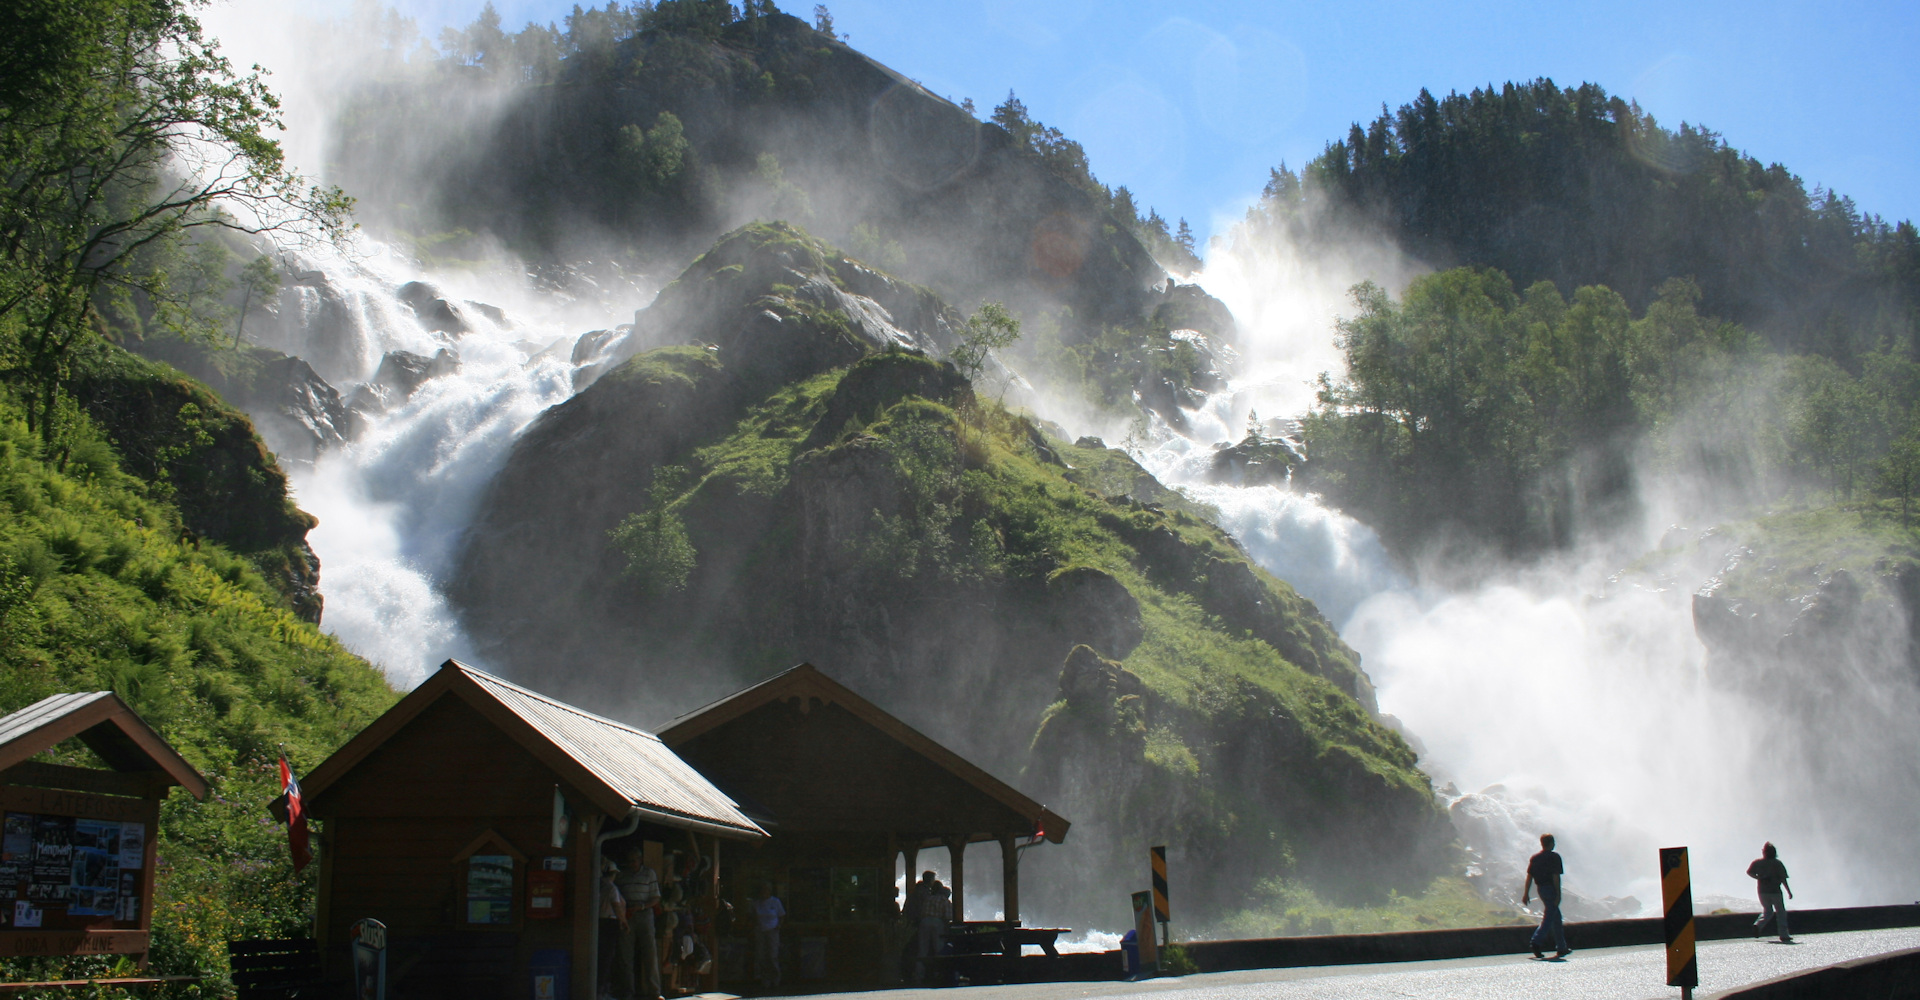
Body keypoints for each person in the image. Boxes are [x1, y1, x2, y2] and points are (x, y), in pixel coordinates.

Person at [613, 847, 663, 1000]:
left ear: (640, 860)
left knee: (650, 953)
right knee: (625, 955)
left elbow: (656, 898)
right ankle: (628, 992)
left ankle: (654, 992)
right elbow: (616, 895)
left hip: (644, 914)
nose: (631, 864)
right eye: (629, 861)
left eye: (634, 861)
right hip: (627, 914)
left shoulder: (649, 874)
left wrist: (642, 906)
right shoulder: (622, 876)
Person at [1522, 833, 1571, 959]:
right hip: (1551, 889)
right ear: (1551, 843)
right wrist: (1558, 894)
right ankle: (1536, 942)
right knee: (1549, 916)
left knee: (1556, 917)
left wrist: (1526, 893)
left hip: (1541, 889)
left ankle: (1561, 947)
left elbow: (1529, 877)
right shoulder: (1554, 857)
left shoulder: (1535, 858)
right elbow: (1556, 877)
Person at [1747, 842, 1793, 943]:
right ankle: (1784, 935)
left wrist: (1758, 877)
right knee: (1781, 912)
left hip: (1762, 891)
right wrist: (1789, 892)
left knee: (1767, 911)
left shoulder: (1757, 863)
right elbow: (1783, 879)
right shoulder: (1777, 863)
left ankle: (1758, 925)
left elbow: (1749, 872)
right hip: (1775, 891)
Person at [598, 860, 628, 1000]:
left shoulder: (598, 885)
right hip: (610, 922)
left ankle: (600, 989)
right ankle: (602, 991)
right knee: (607, 957)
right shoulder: (611, 888)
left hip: (598, 922)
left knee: (601, 956)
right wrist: (624, 921)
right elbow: (616, 906)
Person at [916, 872, 951, 983]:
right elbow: (948, 916)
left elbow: (922, 912)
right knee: (938, 949)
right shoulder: (944, 900)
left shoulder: (928, 899)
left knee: (923, 949)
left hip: (924, 922)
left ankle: (919, 975)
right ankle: (938, 973)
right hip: (937, 923)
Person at [752, 881, 785, 989]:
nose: (764, 892)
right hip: (761, 931)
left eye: (766, 890)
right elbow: (753, 916)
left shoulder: (775, 902)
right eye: (762, 890)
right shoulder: (757, 903)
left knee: (772, 955)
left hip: (773, 931)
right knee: (761, 955)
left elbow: (781, 915)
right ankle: (765, 979)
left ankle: (775, 979)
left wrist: (778, 926)